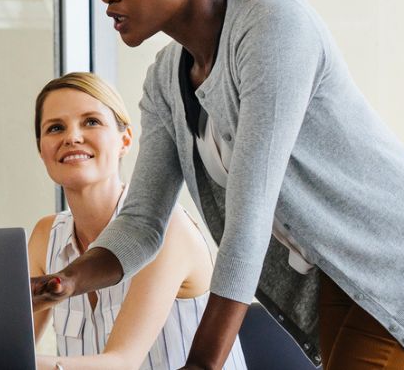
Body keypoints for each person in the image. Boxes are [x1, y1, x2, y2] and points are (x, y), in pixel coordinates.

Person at [31, 0, 404, 369]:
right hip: (342, 274)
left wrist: (202, 363)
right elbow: (139, 224)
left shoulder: (272, 27)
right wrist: (65, 281)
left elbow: (250, 214)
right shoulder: (165, 79)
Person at [27, 73, 245, 370]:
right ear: (41, 150)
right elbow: (8, 340)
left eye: (91, 122)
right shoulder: (46, 236)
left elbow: (122, 363)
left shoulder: (167, 228)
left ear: (125, 140)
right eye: (55, 128)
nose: (72, 137)